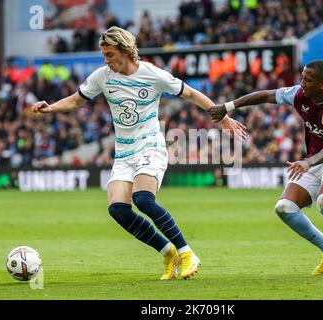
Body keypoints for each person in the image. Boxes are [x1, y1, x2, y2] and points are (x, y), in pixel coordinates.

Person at [32, 26, 246, 280]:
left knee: (143, 199)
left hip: (150, 146)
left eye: (109, 54)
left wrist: (220, 115)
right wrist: (51, 108)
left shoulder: (152, 74)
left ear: (125, 51)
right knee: (118, 210)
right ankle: (168, 252)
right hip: (124, 152)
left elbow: (189, 93)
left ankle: (187, 252)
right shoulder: (102, 76)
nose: (106, 60)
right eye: (104, 54)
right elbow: (76, 100)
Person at [209, 60, 323, 280]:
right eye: (302, 76)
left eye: (307, 79)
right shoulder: (299, 94)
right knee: (284, 208)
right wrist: (229, 107)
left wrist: (309, 163)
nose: (302, 82)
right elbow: (264, 96)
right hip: (315, 160)